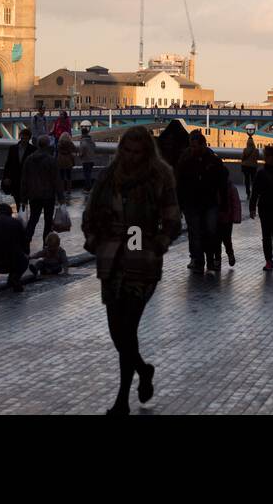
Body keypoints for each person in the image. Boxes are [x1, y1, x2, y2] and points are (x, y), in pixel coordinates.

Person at [82, 125, 181, 415]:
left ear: (147, 152)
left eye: (138, 152)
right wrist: (93, 239)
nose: (131, 156)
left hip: (142, 261)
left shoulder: (159, 177)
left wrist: (159, 243)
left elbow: (173, 218)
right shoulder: (107, 177)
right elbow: (90, 212)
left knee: (127, 327)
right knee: (116, 331)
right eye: (127, 150)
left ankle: (122, 399)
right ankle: (143, 369)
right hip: (111, 259)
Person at [175, 130, 228, 272]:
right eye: (191, 146)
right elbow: (179, 184)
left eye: (195, 146)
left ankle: (210, 259)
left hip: (209, 203)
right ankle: (198, 260)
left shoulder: (213, 161)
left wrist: (224, 205)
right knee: (195, 232)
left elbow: (222, 183)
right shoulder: (185, 161)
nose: (192, 149)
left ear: (203, 145)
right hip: (191, 203)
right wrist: (180, 205)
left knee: (211, 231)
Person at [21, 135, 65, 243]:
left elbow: (24, 180)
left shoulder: (29, 159)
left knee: (33, 219)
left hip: (34, 195)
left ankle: (26, 242)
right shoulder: (51, 160)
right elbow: (57, 180)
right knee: (48, 221)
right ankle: (47, 244)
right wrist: (61, 197)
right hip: (48, 195)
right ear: (47, 145)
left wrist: (23, 198)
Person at [215, 159, 241, 267]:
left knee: (224, 239)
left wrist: (235, 217)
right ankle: (220, 258)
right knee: (220, 240)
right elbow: (236, 204)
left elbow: (235, 203)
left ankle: (226, 256)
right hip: (223, 218)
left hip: (224, 218)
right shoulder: (230, 187)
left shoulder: (229, 188)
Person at [2, 127, 36, 212]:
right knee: (18, 202)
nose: (24, 140)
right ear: (20, 137)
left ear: (29, 138)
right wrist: (6, 177)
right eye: (23, 138)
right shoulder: (13, 148)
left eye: (26, 138)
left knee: (28, 202)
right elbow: (8, 164)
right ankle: (21, 219)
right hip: (15, 179)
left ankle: (25, 219)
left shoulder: (33, 150)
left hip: (28, 180)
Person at [241, 134, 259, 199]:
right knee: (253, 180)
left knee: (247, 180)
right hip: (253, 167)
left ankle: (248, 193)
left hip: (246, 166)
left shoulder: (245, 150)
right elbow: (257, 157)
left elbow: (242, 157)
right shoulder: (256, 150)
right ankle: (254, 193)